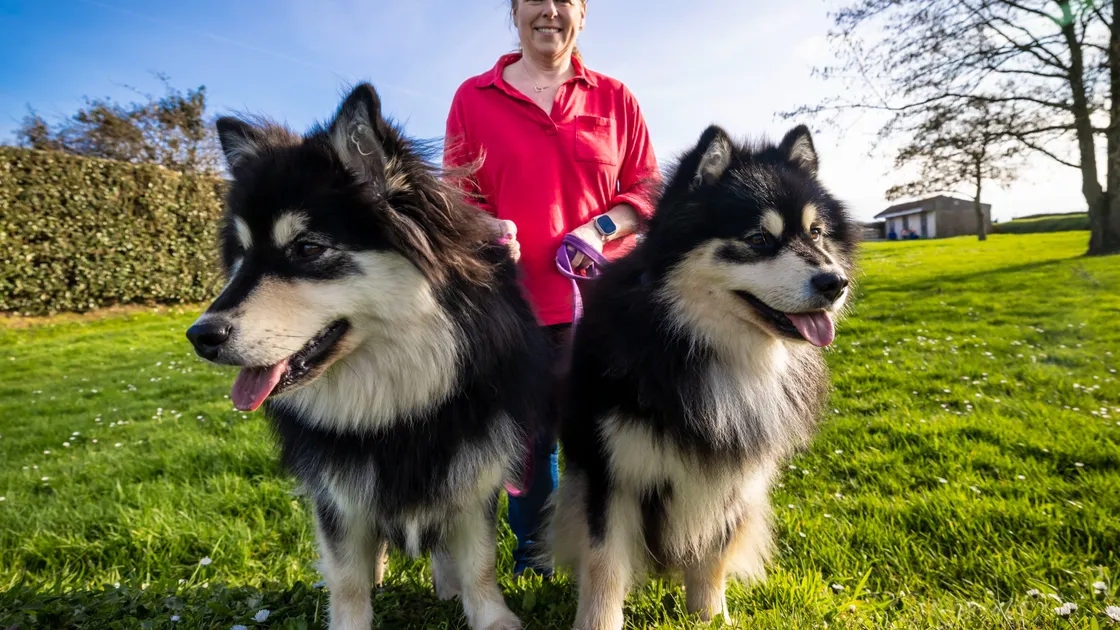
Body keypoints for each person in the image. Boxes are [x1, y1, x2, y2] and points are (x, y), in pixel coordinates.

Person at [444, 0, 658, 575]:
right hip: (510, 313)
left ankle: (608, 556)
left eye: (565, 0)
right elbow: (459, 200)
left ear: (582, 15)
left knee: (606, 444)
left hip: (605, 313)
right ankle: (533, 555)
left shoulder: (615, 98)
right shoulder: (473, 98)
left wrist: (601, 226)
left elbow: (647, 190)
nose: (549, 10)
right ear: (513, 12)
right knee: (526, 448)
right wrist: (486, 228)